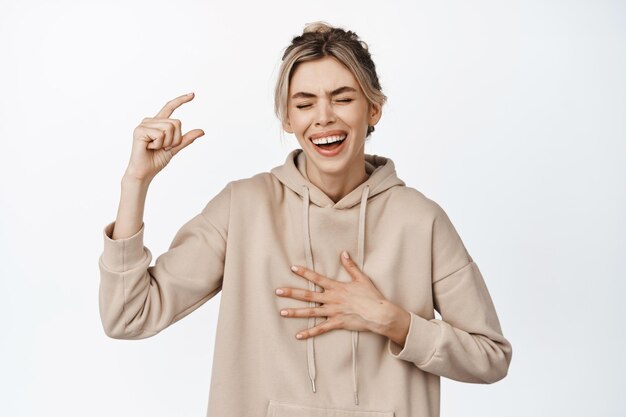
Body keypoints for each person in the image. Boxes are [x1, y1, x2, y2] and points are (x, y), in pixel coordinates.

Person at [99, 21, 513, 417]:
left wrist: (393, 320)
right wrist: (136, 182)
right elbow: (128, 316)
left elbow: (490, 358)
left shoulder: (421, 221)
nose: (324, 117)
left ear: (374, 109)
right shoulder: (242, 207)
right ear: (287, 118)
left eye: (343, 98)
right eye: (304, 103)